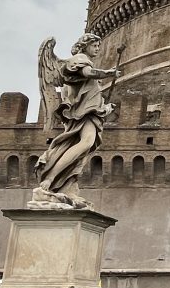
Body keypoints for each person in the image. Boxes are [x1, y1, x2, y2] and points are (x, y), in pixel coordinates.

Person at [35, 34, 121, 208]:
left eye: (98, 46)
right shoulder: (79, 60)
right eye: (94, 45)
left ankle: (66, 185)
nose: (97, 49)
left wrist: (106, 108)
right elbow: (87, 73)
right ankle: (50, 178)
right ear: (85, 45)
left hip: (89, 113)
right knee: (86, 142)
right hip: (82, 114)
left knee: (83, 149)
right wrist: (108, 73)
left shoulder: (86, 63)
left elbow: (91, 95)